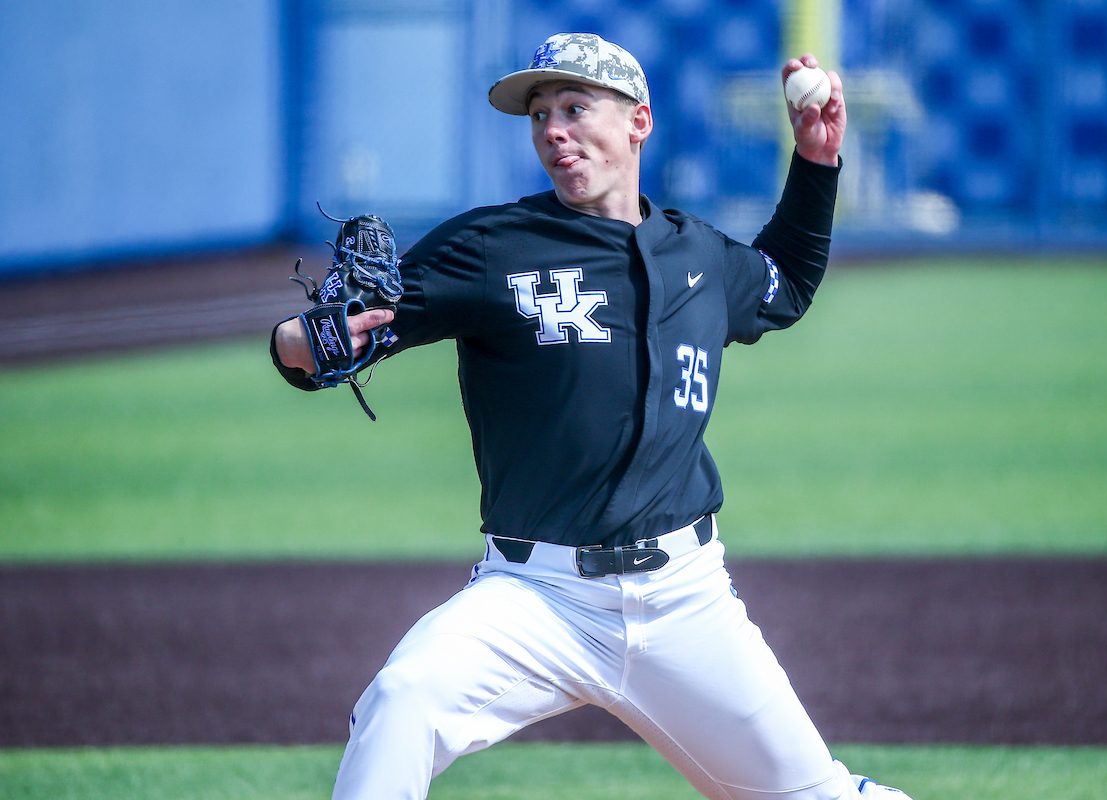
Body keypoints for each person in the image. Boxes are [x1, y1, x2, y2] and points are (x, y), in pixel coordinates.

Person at [272, 32, 912, 800]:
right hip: (535, 600)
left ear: (638, 121)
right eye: (539, 114)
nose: (552, 129)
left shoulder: (698, 257)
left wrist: (816, 159)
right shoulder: (492, 248)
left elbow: (785, 283)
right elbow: (331, 339)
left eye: (576, 107)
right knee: (405, 700)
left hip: (686, 601)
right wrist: (298, 345)